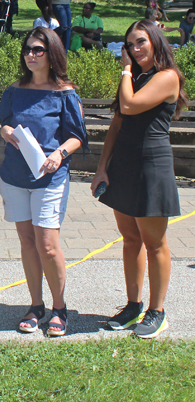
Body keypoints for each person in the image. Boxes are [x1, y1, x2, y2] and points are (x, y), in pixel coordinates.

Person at [91, 20, 186, 339]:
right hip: (124, 165)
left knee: (154, 242)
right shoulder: (137, 76)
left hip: (152, 166)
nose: (134, 49)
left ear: (156, 41)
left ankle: (157, 313)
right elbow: (116, 124)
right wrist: (103, 167)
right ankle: (133, 306)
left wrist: (124, 71)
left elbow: (130, 105)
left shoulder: (167, 77)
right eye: (130, 44)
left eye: (140, 42)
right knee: (130, 238)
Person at [0, 27, 87, 337]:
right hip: (14, 177)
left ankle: (59, 308)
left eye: (38, 50)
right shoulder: (14, 89)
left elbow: (77, 137)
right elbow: (5, 123)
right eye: (27, 50)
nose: (31, 55)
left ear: (52, 54)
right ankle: (36, 305)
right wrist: (5, 132)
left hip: (50, 178)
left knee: (47, 246)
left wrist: (60, 154)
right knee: (26, 242)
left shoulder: (65, 91)